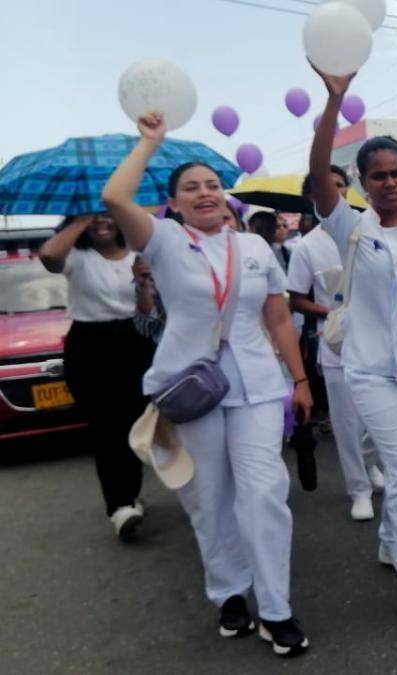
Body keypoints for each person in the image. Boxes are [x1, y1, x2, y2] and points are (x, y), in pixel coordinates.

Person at [102, 112, 314, 656]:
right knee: (208, 496)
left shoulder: (255, 249)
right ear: (173, 204)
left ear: (226, 197)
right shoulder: (166, 241)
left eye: (213, 185)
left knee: (264, 492)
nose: (205, 193)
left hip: (258, 386)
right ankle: (229, 592)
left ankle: (276, 609)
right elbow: (115, 198)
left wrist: (300, 380)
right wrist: (150, 141)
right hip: (192, 389)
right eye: (191, 188)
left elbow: (277, 319)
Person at [310, 66, 397, 620]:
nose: (390, 183)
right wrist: (334, 100)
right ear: (362, 183)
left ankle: (391, 539)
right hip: (369, 369)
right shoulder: (350, 227)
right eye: (379, 176)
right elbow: (319, 171)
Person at [37, 213, 157, 539]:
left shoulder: (139, 255)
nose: (101, 222)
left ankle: (130, 494)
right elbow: (48, 255)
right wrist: (83, 217)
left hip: (135, 341)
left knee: (136, 423)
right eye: (94, 217)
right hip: (90, 345)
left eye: (107, 215)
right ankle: (120, 506)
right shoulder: (77, 257)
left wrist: (143, 283)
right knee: (105, 428)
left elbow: (148, 312)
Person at [288, 166, 385, 521]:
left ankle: (370, 462)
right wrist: (331, 310)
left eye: (341, 185)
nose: (336, 191)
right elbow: (296, 299)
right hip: (338, 345)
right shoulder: (306, 247)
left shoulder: (370, 229)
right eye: (325, 186)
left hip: (379, 340)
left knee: (380, 417)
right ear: (311, 197)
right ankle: (359, 489)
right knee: (346, 423)